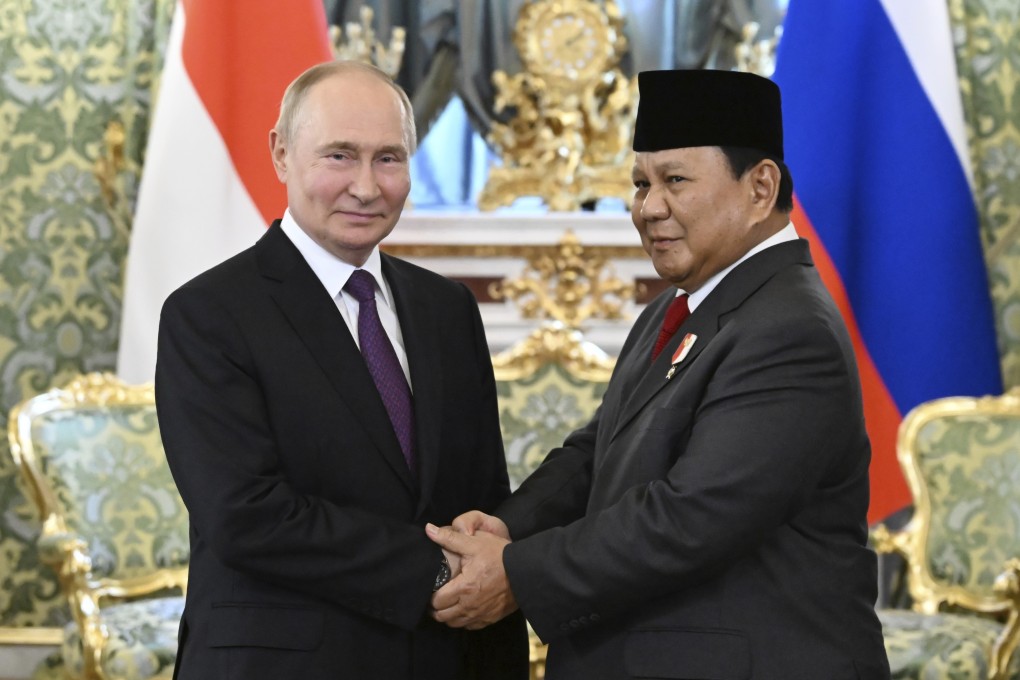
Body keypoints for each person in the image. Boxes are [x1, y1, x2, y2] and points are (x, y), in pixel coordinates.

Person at [427, 69, 891, 679]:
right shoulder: (679, 306)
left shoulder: (789, 329)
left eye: (675, 180)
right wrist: (508, 523)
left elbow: (690, 518)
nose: (648, 208)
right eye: (640, 183)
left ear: (760, 188)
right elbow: (598, 452)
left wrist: (515, 572)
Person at [155, 60, 527, 680]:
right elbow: (246, 514)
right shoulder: (209, 314)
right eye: (339, 156)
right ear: (280, 153)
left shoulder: (447, 308)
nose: (366, 186)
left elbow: (483, 491)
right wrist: (441, 570)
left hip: (449, 657)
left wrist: (501, 573)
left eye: (388, 158)